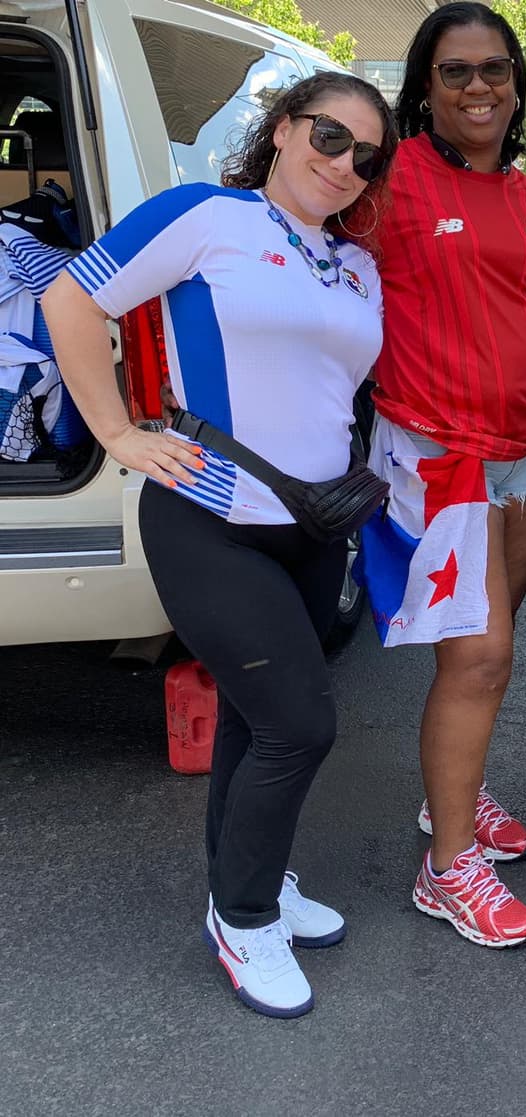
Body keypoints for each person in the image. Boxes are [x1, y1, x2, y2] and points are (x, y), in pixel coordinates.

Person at [41, 72, 397, 1017]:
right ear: (283, 130)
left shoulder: (355, 266)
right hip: (210, 513)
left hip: (315, 527)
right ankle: (241, 920)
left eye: (366, 156)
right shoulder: (209, 216)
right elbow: (73, 302)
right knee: (300, 723)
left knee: (252, 717)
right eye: (328, 136)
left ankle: (257, 877)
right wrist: (117, 433)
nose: (343, 164)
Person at [359, 2, 526, 949]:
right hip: (439, 447)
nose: (480, 86)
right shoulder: (388, 180)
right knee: (481, 655)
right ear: (424, 88)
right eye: (455, 72)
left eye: (495, 68)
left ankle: (453, 795)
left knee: (482, 652)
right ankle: (449, 868)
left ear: (517, 83)